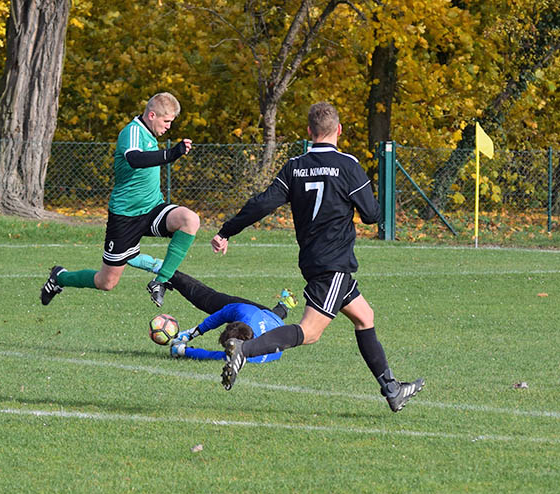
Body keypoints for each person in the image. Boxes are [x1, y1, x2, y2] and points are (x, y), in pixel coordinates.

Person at [212, 102, 424, 412]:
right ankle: (245, 349)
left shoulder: (295, 166)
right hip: (334, 263)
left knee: (365, 317)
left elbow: (262, 204)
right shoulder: (348, 166)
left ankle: (392, 389)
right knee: (309, 333)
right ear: (338, 130)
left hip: (315, 261)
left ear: (309, 132)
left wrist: (226, 230)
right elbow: (371, 215)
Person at [41, 92, 199, 308]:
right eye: (167, 121)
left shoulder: (151, 134)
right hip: (126, 217)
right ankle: (59, 277)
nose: (169, 127)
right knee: (106, 282)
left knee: (190, 220)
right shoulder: (133, 131)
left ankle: (160, 281)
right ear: (152, 115)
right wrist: (170, 154)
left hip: (153, 208)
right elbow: (133, 159)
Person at [129, 254, 298, 362]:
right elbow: (220, 315)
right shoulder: (244, 312)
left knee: (266, 314)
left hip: (271, 320)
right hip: (266, 319)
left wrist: (183, 351)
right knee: (207, 300)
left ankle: (283, 307)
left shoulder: (251, 354)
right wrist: (190, 334)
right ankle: (163, 269)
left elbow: (214, 356)